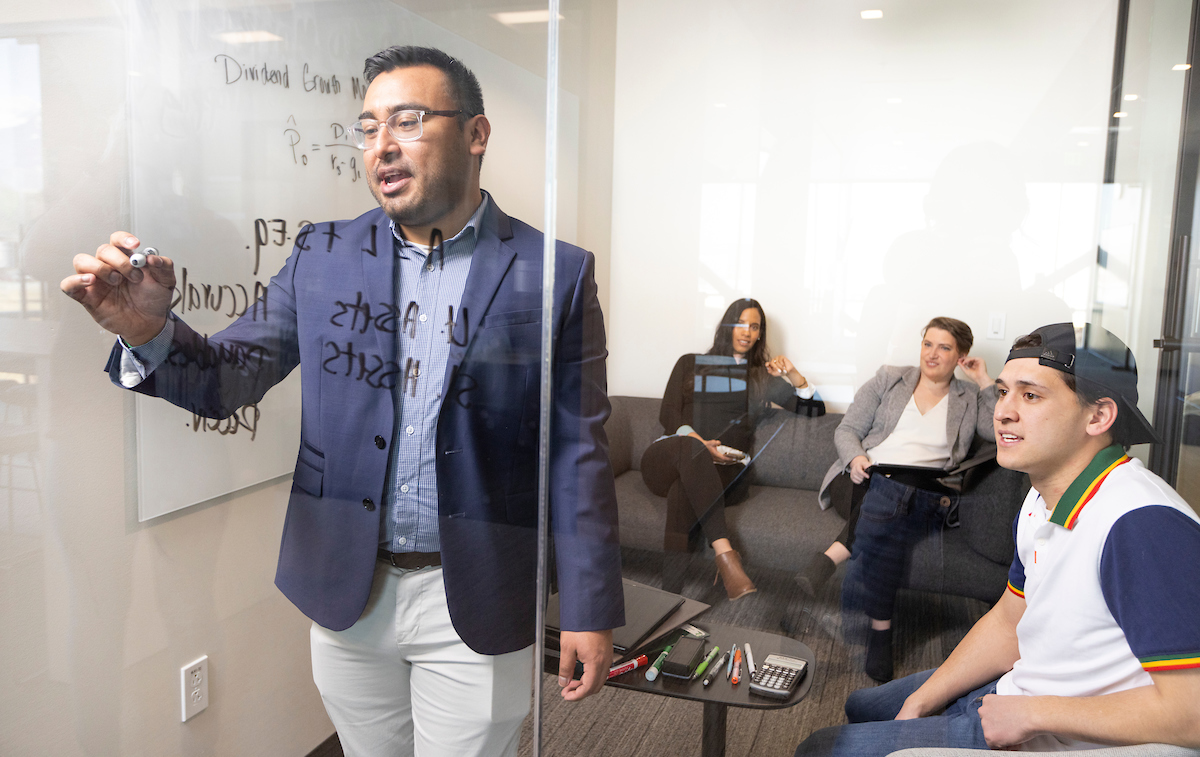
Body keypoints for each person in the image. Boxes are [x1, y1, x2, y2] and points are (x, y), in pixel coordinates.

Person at [60, 46, 624, 756]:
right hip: (349, 591)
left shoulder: (553, 273)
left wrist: (588, 602)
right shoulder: (322, 257)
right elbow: (228, 377)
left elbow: (578, 451)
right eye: (367, 127)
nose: (381, 145)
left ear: (476, 134)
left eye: (407, 121)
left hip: (477, 590)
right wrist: (149, 332)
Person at [793, 323, 1200, 757]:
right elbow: (1010, 622)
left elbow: (1191, 714)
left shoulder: (1142, 523)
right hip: (1018, 686)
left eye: (1031, 395)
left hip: (1045, 732)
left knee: (821, 747)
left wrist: (1032, 714)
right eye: (1003, 391)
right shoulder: (1039, 498)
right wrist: (924, 700)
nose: (1003, 411)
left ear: (1098, 416)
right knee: (864, 704)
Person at [805, 317, 995, 681]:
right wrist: (857, 458)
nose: (932, 354)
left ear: (961, 357)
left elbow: (996, 428)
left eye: (944, 348)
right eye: (928, 344)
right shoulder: (889, 377)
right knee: (885, 503)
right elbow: (848, 429)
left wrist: (985, 380)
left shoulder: (968, 396)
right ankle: (881, 636)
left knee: (888, 504)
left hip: (926, 490)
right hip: (862, 477)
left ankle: (833, 560)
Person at [640, 298, 815, 600]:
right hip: (670, 458)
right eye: (740, 324)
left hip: (726, 471)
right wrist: (699, 443)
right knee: (689, 448)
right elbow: (668, 413)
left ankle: (668, 600)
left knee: (683, 492)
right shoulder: (690, 363)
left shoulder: (760, 376)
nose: (747, 332)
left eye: (755, 326)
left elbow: (814, 409)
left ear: (760, 334)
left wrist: (793, 374)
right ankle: (726, 553)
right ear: (727, 326)